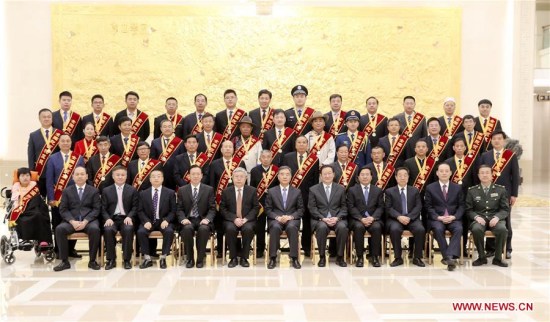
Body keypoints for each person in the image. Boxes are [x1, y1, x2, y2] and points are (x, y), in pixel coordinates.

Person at [478, 131, 519, 259]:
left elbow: (515, 176)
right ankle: (490, 248)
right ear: (491, 141)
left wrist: (514, 195)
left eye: (499, 139)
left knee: (506, 221)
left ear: (504, 140)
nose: (497, 141)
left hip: (504, 195)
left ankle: (508, 248)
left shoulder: (510, 155)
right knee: (490, 218)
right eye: (494, 139)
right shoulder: (485, 155)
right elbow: (481, 174)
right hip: (488, 194)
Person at [53, 166, 101, 272]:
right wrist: (72, 221)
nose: (80, 176)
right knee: (60, 229)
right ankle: (64, 261)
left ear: (87, 176)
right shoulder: (67, 191)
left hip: (89, 221)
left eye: (82, 174)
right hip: (71, 221)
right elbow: (63, 209)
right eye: (77, 174)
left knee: (95, 230)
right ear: (73, 177)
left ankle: (92, 261)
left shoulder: (94, 191)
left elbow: (96, 209)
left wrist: (86, 221)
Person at [46, 134, 85, 257]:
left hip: (74, 197)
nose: (65, 143)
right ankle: (59, 250)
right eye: (63, 141)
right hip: (57, 198)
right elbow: (49, 180)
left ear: (71, 143)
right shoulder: (52, 158)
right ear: (58, 143)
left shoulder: (78, 158)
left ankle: (71, 250)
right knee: (58, 223)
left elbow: (81, 177)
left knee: (74, 222)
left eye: (68, 141)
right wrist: (51, 197)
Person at [282, 135, 320, 257]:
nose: (302, 144)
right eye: (299, 142)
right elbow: (283, 176)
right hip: (291, 196)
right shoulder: (288, 157)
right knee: (292, 222)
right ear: (295, 144)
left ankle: (307, 247)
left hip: (308, 196)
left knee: (308, 223)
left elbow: (315, 181)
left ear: (307, 145)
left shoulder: (313, 159)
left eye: (304, 142)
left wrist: (313, 197)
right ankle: (292, 248)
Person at [466, 165, 509, 267]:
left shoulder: (500, 190)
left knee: (502, 229)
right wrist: (476, 217)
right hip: (479, 218)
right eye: (482, 173)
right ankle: (481, 257)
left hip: (495, 218)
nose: (484, 175)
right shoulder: (472, 191)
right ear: (478, 175)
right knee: (476, 229)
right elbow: (468, 210)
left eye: (487, 173)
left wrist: (497, 217)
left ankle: (498, 258)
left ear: (492, 175)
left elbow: (505, 209)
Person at [424, 163, 464, 271]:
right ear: (437, 173)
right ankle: (449, 257)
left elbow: (462, 206)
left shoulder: (457, 188)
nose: (444, 173)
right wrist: (438, 217)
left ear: (451, 173)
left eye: (447, 171)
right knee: (437, 228)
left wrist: (454, 217)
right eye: (441, 171)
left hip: (453, 218)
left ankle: (448, 256)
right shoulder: (430, 188)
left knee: (459, 228)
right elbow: (428, 206)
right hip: (437, 219)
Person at [384, 167, 425, 267]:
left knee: (420, 229)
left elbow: (418, 206)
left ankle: (417, 257)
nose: (402, 177)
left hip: (412, 218)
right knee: (394, 229)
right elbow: (388, 208)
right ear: (396, 177)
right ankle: (398, 258)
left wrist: (409, 217)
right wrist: (399, 217)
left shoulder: (414, 190)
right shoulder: (389, 191)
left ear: (408, 177)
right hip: (396, 219)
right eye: (400, 175)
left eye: (405, 175)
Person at [176, 165, 216, 268]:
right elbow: (179, 209)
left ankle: (200, 258)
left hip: (203, 219)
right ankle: (190, 258)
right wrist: (183, 219)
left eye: (198, 174)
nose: (195, 176)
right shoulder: (182, 190)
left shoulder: (209, 189)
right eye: (193, 174)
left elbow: (212, 208)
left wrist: (207, 219)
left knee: (203, 229)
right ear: (188, 176)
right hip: (188, 220)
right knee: (187, 229)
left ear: (202, 176)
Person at [308, 165, 348, 267]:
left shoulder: (340, 188)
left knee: (343, 227)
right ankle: (322, 257)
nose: (327, 176)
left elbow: (344, 207)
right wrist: (323, 218)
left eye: (329, 173)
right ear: (320, 176)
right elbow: (312, 208)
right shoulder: (313, 189)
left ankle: (340, 257)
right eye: (324, 174)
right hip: (320, 219)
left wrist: (337, 218)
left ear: (334, 175)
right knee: (321, 227)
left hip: (337, 218)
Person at [264, 166, 303, 269]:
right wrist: (277, 217)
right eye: (282, 174)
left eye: (287, 174)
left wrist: (291, 217)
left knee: (291, 227)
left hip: (291, 220)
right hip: (276, 219)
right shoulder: (271, 191)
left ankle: (294, 258)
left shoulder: (297, 191)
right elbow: (268, 209)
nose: (284, 176)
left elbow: (300, 210)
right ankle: (272, 257)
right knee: (275, 227)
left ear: (291, 177)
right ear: (278, 177)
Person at [101, 166, 139, 270]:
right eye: (118, 175)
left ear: (126, 176)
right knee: (108, 230)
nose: (120, 177)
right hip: (111, 218)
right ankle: (111, 259)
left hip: (126, 218)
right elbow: (102, 208)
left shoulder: (132, 190)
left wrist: (130, 216)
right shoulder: (106, 190)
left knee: (128, 229)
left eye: (123, 175)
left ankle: (126, 259)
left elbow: (135, 207)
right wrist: (107, 218)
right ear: (113, 176)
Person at [220, 168, 259, 268]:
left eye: (241, 177)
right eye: (236, 176)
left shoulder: (252, 191)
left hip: (247, 220)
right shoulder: (226, 191)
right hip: (231, 220)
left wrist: (246, 219)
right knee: (230, 229)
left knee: (248, 229)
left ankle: (244, 258)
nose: (239, 179)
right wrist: (234, 219)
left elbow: (255, 208)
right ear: (232, 178)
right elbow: (223, 209)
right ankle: (233, 258)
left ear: (246, 178)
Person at [136, 170, 176, 269]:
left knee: (169, 231)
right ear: (150, 180)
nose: (156, 178)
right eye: (153, 176)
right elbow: (140, 210)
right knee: (141, 231)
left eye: (159, 176)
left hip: (163, 220)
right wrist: (145, 221)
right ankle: (147, 258)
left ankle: (163, 257)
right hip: (149, 221)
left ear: (162, 179)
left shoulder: (170, 193)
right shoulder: (143, 193)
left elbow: (173, 211)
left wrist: (167, 220)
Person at [346, 166, 384, 267]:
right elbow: (351, 207)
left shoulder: (378, 190)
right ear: (358, 177)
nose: (365, 177)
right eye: (362, 175)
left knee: (376, 227)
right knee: (358, 227)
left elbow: (381, 207)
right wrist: (361, 218)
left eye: (367, 174)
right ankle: (359, 257)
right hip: (357, 219)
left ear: (372, 177)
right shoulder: (352, 190)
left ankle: (375, 256)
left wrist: (373, 218)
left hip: (373, 219)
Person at [9, 167, 53, 247]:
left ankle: (43, 240)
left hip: (36, 207)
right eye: (22, 176)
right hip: (23, 209)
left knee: (40, 211)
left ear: (30, 176)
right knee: (36, 215)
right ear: (18, 178)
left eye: (27, 175)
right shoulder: (16, 186)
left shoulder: (34, 184)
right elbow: (15, 201)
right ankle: (27, 237)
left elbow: (38, 199)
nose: (25, 178)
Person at [249, 150, 279, 258]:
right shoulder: (254, 171)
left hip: (273, 204)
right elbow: (252, 189)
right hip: (259, 204)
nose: (266, 159)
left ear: (272, 158)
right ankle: (260, 249)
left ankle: (274, 249)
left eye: (268, 157)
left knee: (274, 227)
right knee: (260, 228)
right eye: (263, 157)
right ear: (260, 158)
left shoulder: (277, 170)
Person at [27, 108, 63, 196]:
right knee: (40, 201)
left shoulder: (60, 134)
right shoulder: (33, 135)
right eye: (44, 117)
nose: (46, 119)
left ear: (52, 118)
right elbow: (31, 155)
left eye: (49, 117)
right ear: (39, 119)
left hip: (56, 172)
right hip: (40, 173)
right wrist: (32, 173)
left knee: (55, 200)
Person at [150, 119, 185, 190]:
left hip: (174, 174)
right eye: (165, 127)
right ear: (161, 129)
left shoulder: (180, 142)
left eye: (169, 126)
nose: (167, 128)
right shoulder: (155, 142)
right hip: (159, 174)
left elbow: (182, 159)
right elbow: (152, 159)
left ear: (173, 128)